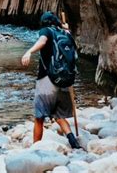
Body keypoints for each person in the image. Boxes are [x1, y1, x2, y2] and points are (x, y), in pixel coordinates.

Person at [21, 11, 81, 149]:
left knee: (39, 117)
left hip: (47, 80)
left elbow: (42, 41)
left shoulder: (46, 31)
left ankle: (35, 148)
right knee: (58, 115)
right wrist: (66, 29)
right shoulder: (65, 34)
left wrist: (29, 51)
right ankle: (73, 141)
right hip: (65, 81)